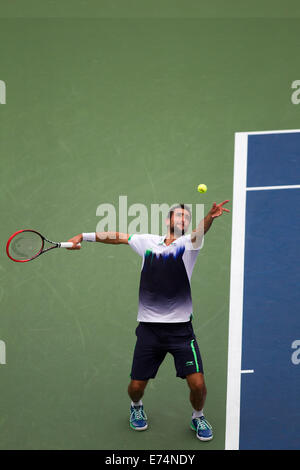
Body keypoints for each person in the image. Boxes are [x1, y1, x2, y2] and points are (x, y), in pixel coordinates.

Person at [68, 200, 230, 441]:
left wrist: (210, 217)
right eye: (178, 216)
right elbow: (117, 237)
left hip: (181, 332)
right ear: (168, 220)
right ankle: (136, 407)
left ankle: (198, 416)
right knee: (135, 387)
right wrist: (84, 235)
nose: (183, 220)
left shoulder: (189, 245)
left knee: (197, 384)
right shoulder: (147, 242)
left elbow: (200, 231)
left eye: (186, 218)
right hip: (149, 331)